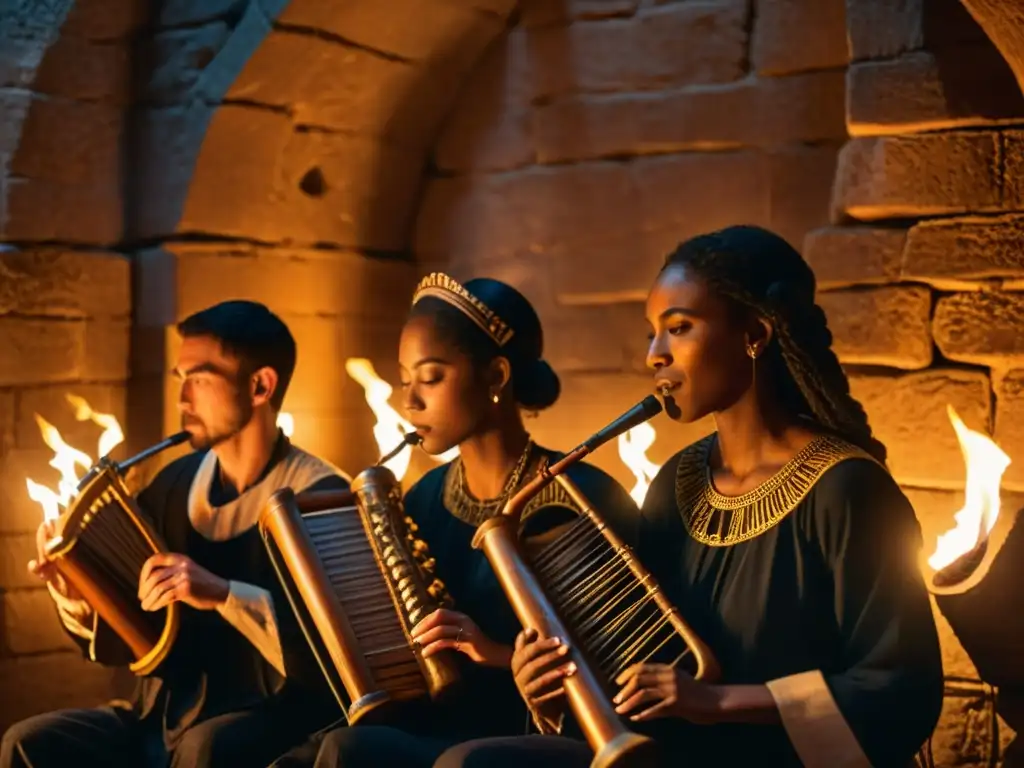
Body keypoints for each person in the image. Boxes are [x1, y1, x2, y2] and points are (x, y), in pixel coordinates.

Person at [435, 225, 946, 768]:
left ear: (755, 333)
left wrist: (718, 701)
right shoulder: (676, 481)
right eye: (652, 333)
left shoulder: (848, 488)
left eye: (679, 328)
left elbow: (900, 692)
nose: (656, 354)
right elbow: (636, 668)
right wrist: (551, 689)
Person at [271, 272, 640, 768]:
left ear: (495, 377)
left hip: (542, 734)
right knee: (332, 748)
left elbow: (622, 669)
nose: (410, 402)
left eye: (431, 377)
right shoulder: (423, 498)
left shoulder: (578, 495)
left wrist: (495, 652)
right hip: (444, 722)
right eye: (405, 381)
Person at [1, 300, 350, 768]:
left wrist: (225, 594)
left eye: (201, 379)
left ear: (260, 385)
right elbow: (136, 640)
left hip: (272, 720)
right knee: (29, 742)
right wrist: (80, 595)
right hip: (161, 718)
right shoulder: (173, 484)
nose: (184, 398)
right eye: (180, 378)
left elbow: (334, 657)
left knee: (207, 748)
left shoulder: (323, 498)